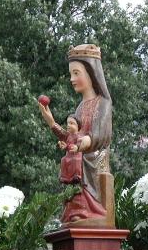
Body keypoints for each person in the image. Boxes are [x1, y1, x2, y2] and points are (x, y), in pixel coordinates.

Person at [38, 44, 112, 224]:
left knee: (79, 161)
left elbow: (101, 135)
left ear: (91, 73)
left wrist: (83, 143)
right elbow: (68, 136)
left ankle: (89, 212)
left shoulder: (103, 103)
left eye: (76, 73)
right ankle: (74, 211)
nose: (72, 79)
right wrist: (51, 121)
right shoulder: (80, 106)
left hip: (94, 157)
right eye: (71, 74)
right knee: (70, 161)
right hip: (77, 153)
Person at [54, 115, 83, 184]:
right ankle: (65, 177)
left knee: (75, 161)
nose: (68, 125)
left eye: (71, 123)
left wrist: (67, 146)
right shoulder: (68, 136)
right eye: (68, 123)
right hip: (68, 156)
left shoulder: (78, 136)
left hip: (76, 156)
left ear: (77, 126)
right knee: (63, 160)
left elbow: (75, 146)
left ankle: (77, 176)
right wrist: (61, 145)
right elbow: (65, 144)